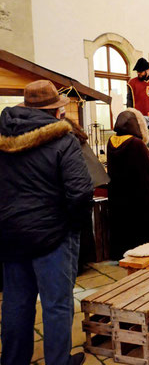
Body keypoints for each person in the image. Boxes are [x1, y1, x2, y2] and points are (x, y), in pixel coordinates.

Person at [0, 80, 93, 365]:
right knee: (57, 305)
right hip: (53, 236)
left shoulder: (3, 138)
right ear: (55, 111)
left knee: (16, 303)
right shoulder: (63, 140)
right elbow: (81, 192)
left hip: (11, 234)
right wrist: (72, 226)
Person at [107, 108, 149, 260]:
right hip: (139, 194)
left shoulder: (111, 141)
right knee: (141, 227)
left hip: (118, 193)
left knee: (122, 224)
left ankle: (120, 252)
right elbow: (148, 170)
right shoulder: (137, 144)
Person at [64, 117, 110, 272]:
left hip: (75, 190)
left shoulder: (67, 141)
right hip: (85, 187)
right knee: (84, 226)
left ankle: (79, 262)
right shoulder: (79, 138)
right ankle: (85, 259)